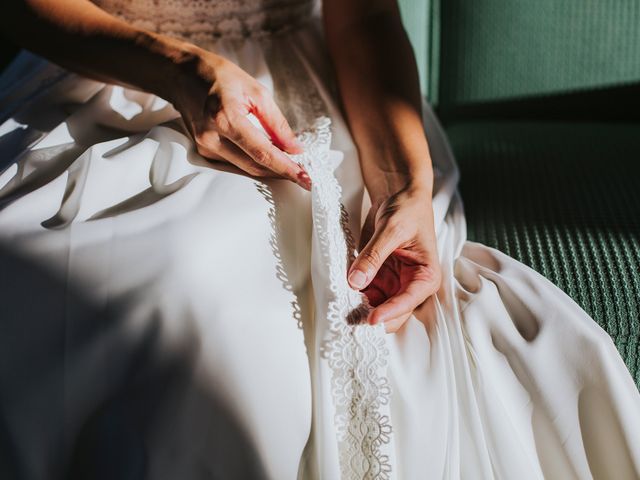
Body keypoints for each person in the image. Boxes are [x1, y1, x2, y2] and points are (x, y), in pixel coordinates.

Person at [0, 0, 638, 478]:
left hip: (308, 79)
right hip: (105, 68)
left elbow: (363, 18)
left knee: (347, 307)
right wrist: (182, 69)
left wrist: (406, 186)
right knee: (169, 287)